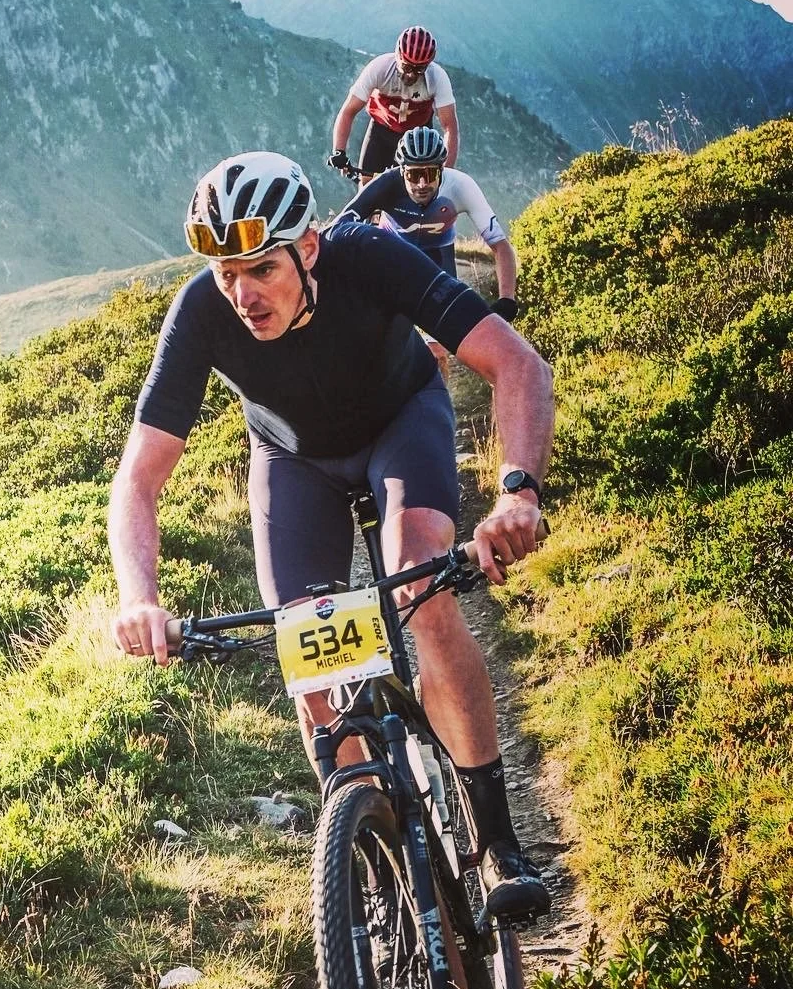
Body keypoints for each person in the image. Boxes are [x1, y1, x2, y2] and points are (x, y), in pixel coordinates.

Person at [108, 150, 553, 920]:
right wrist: (138, 598)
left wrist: (517, 491)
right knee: (310, 655)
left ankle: (496, 843)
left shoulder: (370, 258)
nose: (242, 294)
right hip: (294, 461)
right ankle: (377, 868)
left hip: (400, 424)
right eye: (225, 273)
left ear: (306, 249)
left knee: (419, 582)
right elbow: (138, 480)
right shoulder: (201, 310)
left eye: (260, 270)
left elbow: (517, 367)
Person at [337, 125, 520, 321]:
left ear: (442, 169)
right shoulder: (386, 183)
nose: (422, 183)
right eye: (414, 175)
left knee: (444, 331)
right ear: (402, 172)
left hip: (438, 255)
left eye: (430, 174)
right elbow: (340, 226)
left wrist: (507, 299)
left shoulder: (461, 186)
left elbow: (500, 245)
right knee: (380, 323)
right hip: (390, 252)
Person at [328, 26, 458, 186]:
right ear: (397, 56)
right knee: (367, 190)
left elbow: (450, 127)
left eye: (419, 69)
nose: (411, 74)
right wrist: (339, 151)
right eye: (407, 67)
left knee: (418, 196)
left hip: (418, 139)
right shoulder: (379, 68)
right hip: (380, 132)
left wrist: (446, 172)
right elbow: (349, 111)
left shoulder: (437, 77)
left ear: (428, 65)